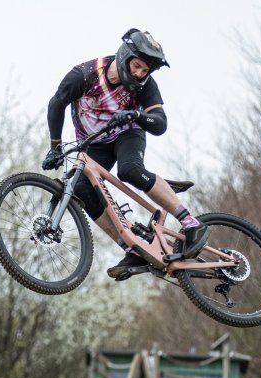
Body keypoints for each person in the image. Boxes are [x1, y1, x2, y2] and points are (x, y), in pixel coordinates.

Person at [42, 28, 209, 280]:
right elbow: (57, 104)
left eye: (145, 70)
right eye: (137, 66)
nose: (140, 74)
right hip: (93, 144)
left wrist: (136, 114)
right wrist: (55, 146)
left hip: (127, 135)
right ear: (124, 57)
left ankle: (191, 223)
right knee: (82, 190)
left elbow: (160, 124)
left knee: (129, 170)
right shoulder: (85, 75)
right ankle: (131, 247)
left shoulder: (146, 86)